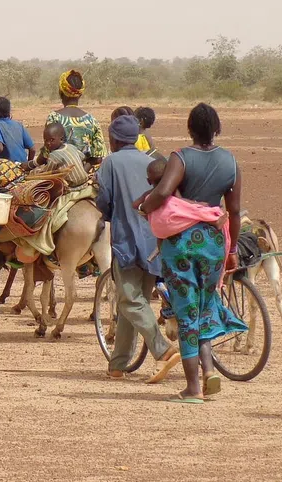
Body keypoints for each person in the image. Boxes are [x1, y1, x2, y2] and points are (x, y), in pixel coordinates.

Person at [140, 103, 247, 403]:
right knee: (205, 305)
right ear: (217, 130)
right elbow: (235, 211)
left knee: (187, 312)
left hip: (182, 242)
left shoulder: (181, 157)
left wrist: (144, 208)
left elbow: (162, 192)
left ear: (189, 129)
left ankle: (192, 387)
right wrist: (233, 249)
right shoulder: (231, 162)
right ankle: (209, 370)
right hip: (215, 241)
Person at [95, 114, 180, 384]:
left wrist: (110, 215)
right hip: (153, 239)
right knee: (134, 302)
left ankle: (162, 349)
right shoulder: (150, 161)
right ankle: (118, 365)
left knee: (130, 302)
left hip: (127, 240)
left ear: (114, 139)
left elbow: (104, 199)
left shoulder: (110, 163)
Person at [47, 70, 106, 167]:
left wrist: (31, 164)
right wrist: (82, 172)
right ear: (80, 94)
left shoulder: (54, 118)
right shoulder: (92, 120)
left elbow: (46, 153)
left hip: (59, 174)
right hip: (85, 174)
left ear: (61, 92)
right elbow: (98, 157)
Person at [23, 122, 88, 188]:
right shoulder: (71, 147)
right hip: (85, 183)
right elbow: (82, 157)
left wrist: (34, 173)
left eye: (52, 140)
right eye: (45, 140)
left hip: (71, 186)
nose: (48, 143)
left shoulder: (54, 155)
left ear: (61, 139)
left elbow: (47, 173)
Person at [0, 96, 34, 163]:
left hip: (8, 166)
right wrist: (28, 165)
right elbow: (32, 149)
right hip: (22, 166)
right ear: (9, 111)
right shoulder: (19, 125)